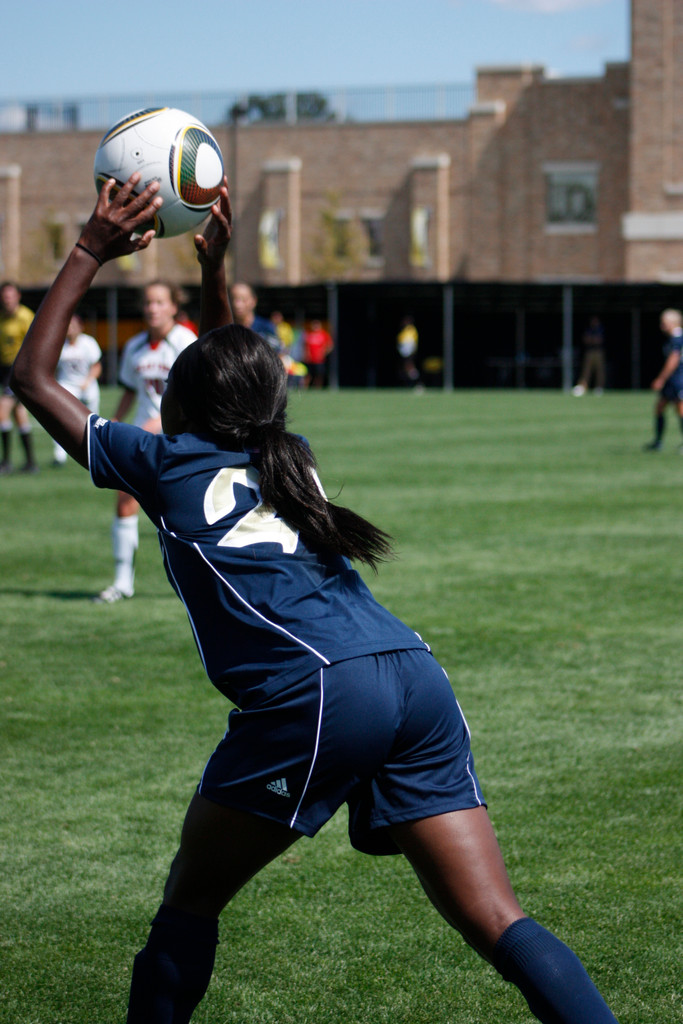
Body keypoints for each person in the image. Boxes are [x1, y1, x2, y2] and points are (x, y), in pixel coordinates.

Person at [10, 172, 620, 1024]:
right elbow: (240, 367)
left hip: (320, 688)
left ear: (179, 403)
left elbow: (33, 378)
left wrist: (87, 249)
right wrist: (215, 268)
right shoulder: (285, 455)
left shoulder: (166, 463)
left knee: (188, 906)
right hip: (414, 675)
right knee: (495, 918)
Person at [95, 279, 196, 603]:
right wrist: (114, 424)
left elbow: (195, 394)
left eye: (160, 302)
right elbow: (129, 390)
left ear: (174, 307)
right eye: (149, 302)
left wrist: (157, 425)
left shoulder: (186, 341)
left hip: (178, 438)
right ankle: (123, 582)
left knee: (186, 511)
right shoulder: (135, 345)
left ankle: (201, 581)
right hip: (142, 438)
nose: (152, 308)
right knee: (124, 500)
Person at [52, 314, 102, 466]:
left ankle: (96, 452)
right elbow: (53, 369)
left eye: (73, 325)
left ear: (81, 327)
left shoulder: (88, 343)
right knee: (59, 420)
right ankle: (59, 456)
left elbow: (96, 365)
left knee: (94, 421)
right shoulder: (59, 344)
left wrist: (88, 381)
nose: (70, 328)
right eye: (67, 325)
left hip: (86, 384)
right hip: (67, 385)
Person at [0, 281, 38, 473]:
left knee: (2, 412)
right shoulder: (2, 319)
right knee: (19, 414)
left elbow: (35, 344)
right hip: (4, 370)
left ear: (17, 297)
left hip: (19, 370)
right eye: (4, 296)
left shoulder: (25, 317)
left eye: (10, 295)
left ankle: (5, 461)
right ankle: (31, 462)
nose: (7, 299)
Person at [642, 307, 683, 451]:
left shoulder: (678, 339)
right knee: (659, 407)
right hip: (672, 380)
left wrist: (661, 378)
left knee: (681, 409)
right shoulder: (673, 339)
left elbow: (673, 360)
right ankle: (658, 442)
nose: (662, 326)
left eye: (664, 322)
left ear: (673, 323)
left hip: (678, 379)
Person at [229, 281, 280, 349]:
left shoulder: (265, 328)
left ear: (254, 301)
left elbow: (276, 353)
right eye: (233, 299)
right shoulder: (225, 329)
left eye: (243, 299)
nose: (237, 305)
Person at [572, 316, 605, 396]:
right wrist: (593, 340)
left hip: (598, 351)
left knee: (599, 370)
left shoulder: (600, 329)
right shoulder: (589, 329)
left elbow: (599, 340)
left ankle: (599, 387)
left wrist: (593, 340)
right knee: (586, 370)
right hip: (589, 351)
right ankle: (583, 387)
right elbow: (586, 339)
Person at [303, 318, 334, 388]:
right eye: (314, 325)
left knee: (319, 374)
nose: (315, 327)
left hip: (319, 360)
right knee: (308, 374)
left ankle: (318, 388)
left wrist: (323, 353)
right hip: (310, 359)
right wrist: (306, 354)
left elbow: (330, 345)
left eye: (317, 325)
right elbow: (305, 346)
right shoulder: (309, 334)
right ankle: (305, 388)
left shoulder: (324, 334)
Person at [396, 313, 420, 387]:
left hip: (409, 353)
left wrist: (411, 351)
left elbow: (412, 342)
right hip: (405, 353)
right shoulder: (404, 330)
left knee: (410, 368)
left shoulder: (411, 330)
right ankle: (410, 384)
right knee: (405, 369)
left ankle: (418, 383)